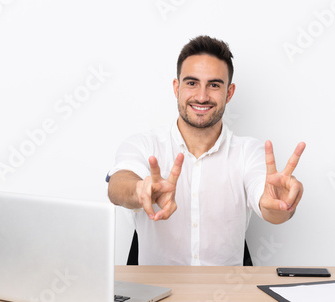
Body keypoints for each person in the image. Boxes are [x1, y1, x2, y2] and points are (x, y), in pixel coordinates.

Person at [107, 35, 305, 266]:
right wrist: (139, 189)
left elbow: (270, 207)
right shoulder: (143, 144)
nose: (202, 96)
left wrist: (282, 205)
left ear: (229, 93)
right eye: (192, 83)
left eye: (214, 85)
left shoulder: (249, 151)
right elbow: (117, 185)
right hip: (156, 295)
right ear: (176, 87)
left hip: (226, 296)